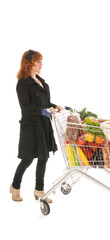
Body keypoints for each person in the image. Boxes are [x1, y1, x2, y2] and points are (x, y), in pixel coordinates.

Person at [10, 49, 63, 203]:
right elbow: (26, 107)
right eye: (38, 61)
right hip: (31, 126)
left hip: (44, 125)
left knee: (44, 157)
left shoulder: (42, 82)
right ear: (29, 63)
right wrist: (44, 110)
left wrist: (54, 106)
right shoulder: (23, 83)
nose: (41, 64)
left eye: (41, 61)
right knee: (27, 159)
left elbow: (44, 104)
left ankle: (39, 190)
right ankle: (15, 186)